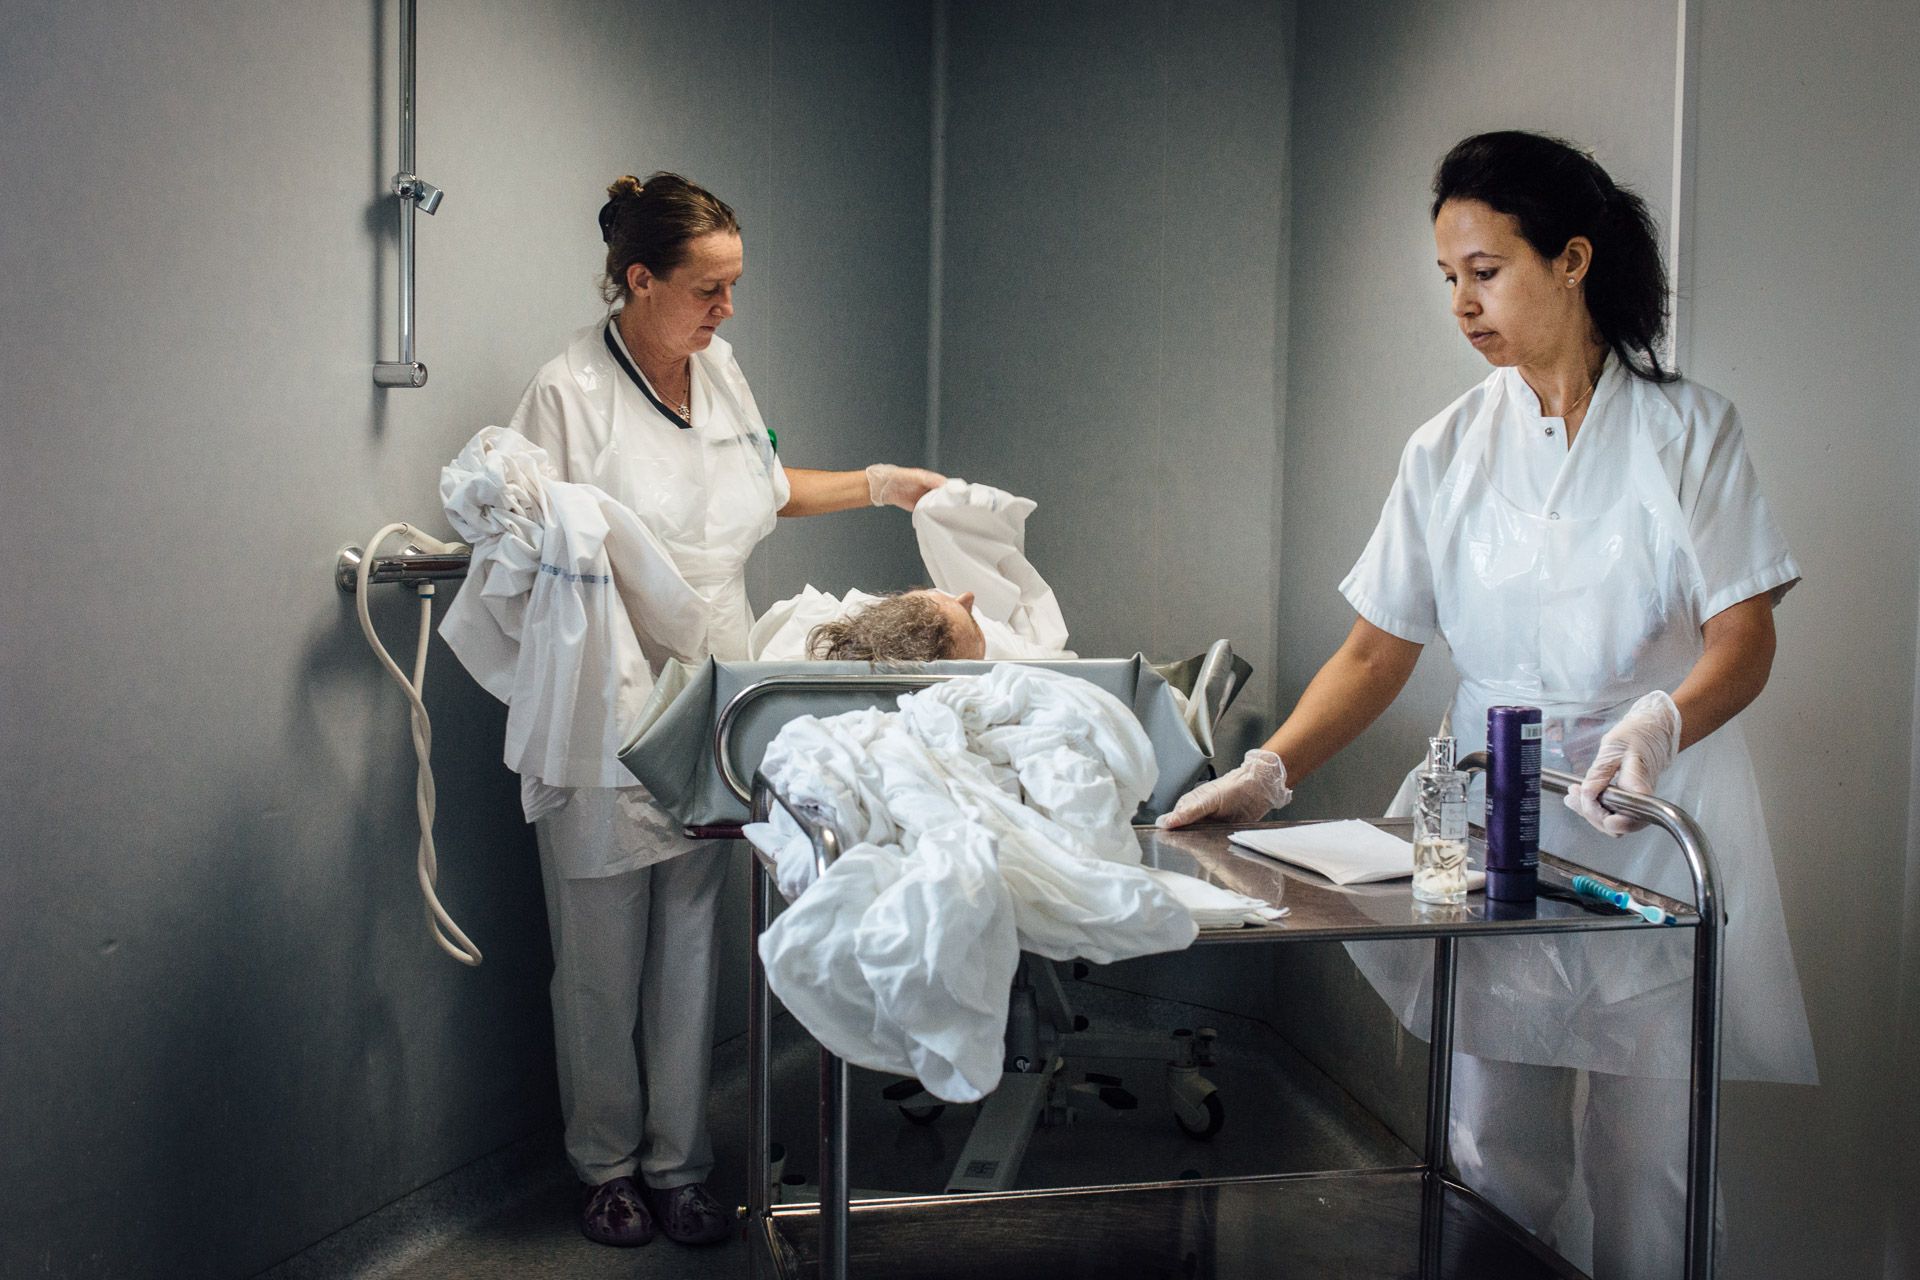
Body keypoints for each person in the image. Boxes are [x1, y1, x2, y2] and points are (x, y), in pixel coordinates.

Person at [1160, 131, 1817, 1276]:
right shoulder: (1450, 445)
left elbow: (1745, 638)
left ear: (1572, 259)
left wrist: (1657, 722)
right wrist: (1272, 767)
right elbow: (1378, 648)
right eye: (1448, 278)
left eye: (1487, 270)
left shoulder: (1688, 433)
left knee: (1649, 1156)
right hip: (1491, 810)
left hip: (1640, 821)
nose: (1463, 304)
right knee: (1486, 1137)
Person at [506, 172, 944, 1249]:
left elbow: (764, 484)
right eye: (708, 288)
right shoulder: (568, 394)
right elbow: (523, 548)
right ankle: (607, 1166)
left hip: (719, 691)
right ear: (639, 279)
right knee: (601, 952)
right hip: (603, 703)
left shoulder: (722, 370)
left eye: (735, 286)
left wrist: (886, 483)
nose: (727, 309)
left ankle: (681, 1162)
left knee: (699, 939)